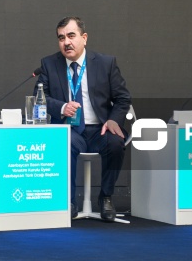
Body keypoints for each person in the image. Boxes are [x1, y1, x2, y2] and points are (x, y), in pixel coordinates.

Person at [36, 17, 131, 222]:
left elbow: (123, 98)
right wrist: (62, 107)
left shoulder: (105, 63)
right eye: (61, 38)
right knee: (64, 141)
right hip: (69, 128)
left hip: (100, 128)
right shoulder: (49, 64)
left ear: (84, 38)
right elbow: (39, 97)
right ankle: (69, 201)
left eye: (71, 36)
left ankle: (106, 197)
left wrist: (113, 120)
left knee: (116, 142)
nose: (66, 42)